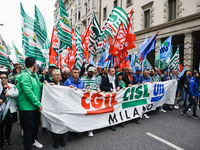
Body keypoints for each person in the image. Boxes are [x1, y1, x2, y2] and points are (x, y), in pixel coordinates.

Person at [17, 57, 43, 150]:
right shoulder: (25, 75)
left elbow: (38, 86)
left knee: (36, 125)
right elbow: (28, 91)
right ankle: (27, 147)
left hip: (35, 107)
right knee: (28, 129)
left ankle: (34, 140)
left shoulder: (35, 75)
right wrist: (38, 104)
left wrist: (45, 84)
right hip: (27, 108)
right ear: (34, 64)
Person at [64, 67, 85, 141]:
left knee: (78, 118)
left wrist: (85, 89)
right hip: (71, 103)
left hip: (79, 103)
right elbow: (62, 91)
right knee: (71, 118)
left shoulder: (81, 82)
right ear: (71, 73)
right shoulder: (68, 82)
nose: (76, 74)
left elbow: (84, 89)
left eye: (77, 72)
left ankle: (76, 133)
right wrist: (68, 88)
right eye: (75, 72)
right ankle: (70, 134)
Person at [0, 72, 18, 148]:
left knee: (9, 125)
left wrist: (8, 94)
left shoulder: (12, 86)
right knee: (1, 126)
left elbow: (17, 93)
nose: (3, 79)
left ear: (7, 78)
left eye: (5, 78)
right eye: (1, 78)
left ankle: (7, 137)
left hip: (10, 109)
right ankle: (2, 139)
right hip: (1, 110)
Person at [81, 66, 100, 137]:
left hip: (94, 99)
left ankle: (90, 129)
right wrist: (84, 89)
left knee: (92, 114)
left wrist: (98, 89)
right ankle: (85, 128)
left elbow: (97, 86)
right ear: (87, 71)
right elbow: (81, 86)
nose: (91, 73)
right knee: (86, 114)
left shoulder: (96, 79)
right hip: (85, 99)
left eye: (92, 72)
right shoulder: (82, 79)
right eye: (90, 72)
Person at [49, 69, 66, 149]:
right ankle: (55, 140)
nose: (58, 76)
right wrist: (47, 85)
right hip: (53, 109)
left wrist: (71, 89)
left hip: (62, 108)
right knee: (54, 125)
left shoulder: (63, 85)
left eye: (59, 74)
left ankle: (62, 139)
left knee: (62, 124)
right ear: (52, 76)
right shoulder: (49, 85)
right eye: (56, 75)